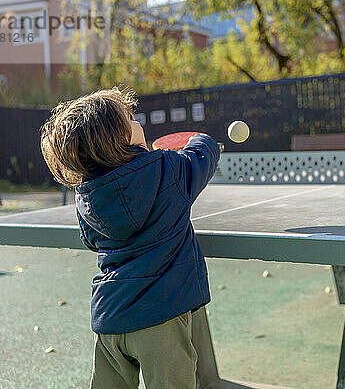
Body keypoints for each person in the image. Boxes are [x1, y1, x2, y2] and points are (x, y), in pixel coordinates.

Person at [40, 88, 221, 389]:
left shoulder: (86, 196)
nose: (137, 120)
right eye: (131, 117)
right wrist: (202, 139)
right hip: (162, 318)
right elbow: (202, 158)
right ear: (122, 135)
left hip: (111, 317)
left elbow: (91, 240)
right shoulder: (168, 169)